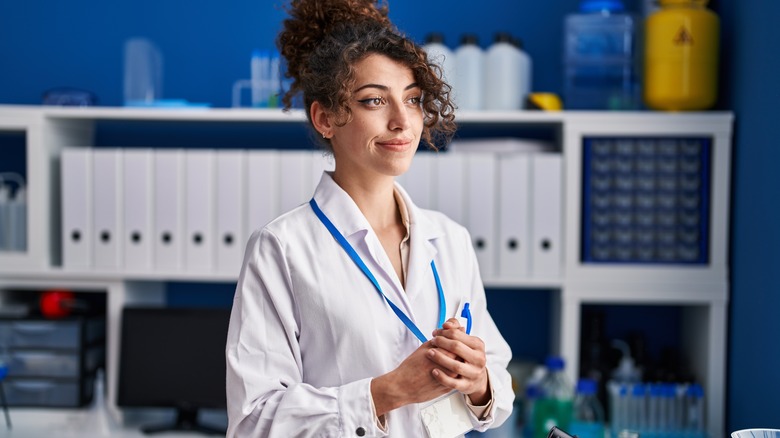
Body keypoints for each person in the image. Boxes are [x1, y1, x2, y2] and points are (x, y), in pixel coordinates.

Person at [225, 0, 514, 436]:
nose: (402, 121)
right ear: (325, 118)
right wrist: (385, 392)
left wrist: (478, 382)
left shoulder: (449, 239)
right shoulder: (282, 247)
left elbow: (499, 388)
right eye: (374, 100)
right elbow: (253, 421)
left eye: (413, 100)